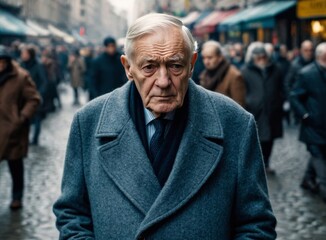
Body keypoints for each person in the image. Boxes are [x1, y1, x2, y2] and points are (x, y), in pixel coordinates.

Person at [53, 13, 276, 239]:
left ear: (192, 64)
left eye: (175, 66)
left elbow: (256, 225)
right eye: (149, 67)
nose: (163, 81)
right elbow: (72, 214)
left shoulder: (235, 123)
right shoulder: (88, 122)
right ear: (128, 67)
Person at [0, 45, 41, 209]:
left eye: (3, 62)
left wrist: (22, 117)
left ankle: (17, 197)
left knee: (15, 165)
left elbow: (34, 99)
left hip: (13, 129)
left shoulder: (20, 77)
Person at [289, 42, 326, 202]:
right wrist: (304, 115)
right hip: (312, 126)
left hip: (323, 125)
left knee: (319, 153)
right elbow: (294, 95)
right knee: (318, 157)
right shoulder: (307, 73)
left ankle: (307, 179)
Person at [241, 42, 284, 175]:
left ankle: (266, 163)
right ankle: (259, 164)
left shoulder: (275, 69)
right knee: (257, 138)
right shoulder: (245, 71)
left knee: (270, 138)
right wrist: (249, 102)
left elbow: (280, 87)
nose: (261, 60)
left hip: (272, 110)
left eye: (263, 57)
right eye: (258, 58)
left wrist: (281, 101)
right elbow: (244, 90)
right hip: (255, 110)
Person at [199, 40, 246, 107]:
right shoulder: (204, 75)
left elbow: (240, 107)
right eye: (204, 58)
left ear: (220, 57)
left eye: (210, 58)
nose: (206, 62)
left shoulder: (234, 76)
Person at [20, 45, 48, 145]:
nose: (22, 55)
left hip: (36, 97)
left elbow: (44, 81)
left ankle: (35, 139)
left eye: (24, 53)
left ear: (29, 54)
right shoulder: (21, 64)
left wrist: (39, 94)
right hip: (24, 97)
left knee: (37, 119)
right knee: (25, 118)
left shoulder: (38, 65)